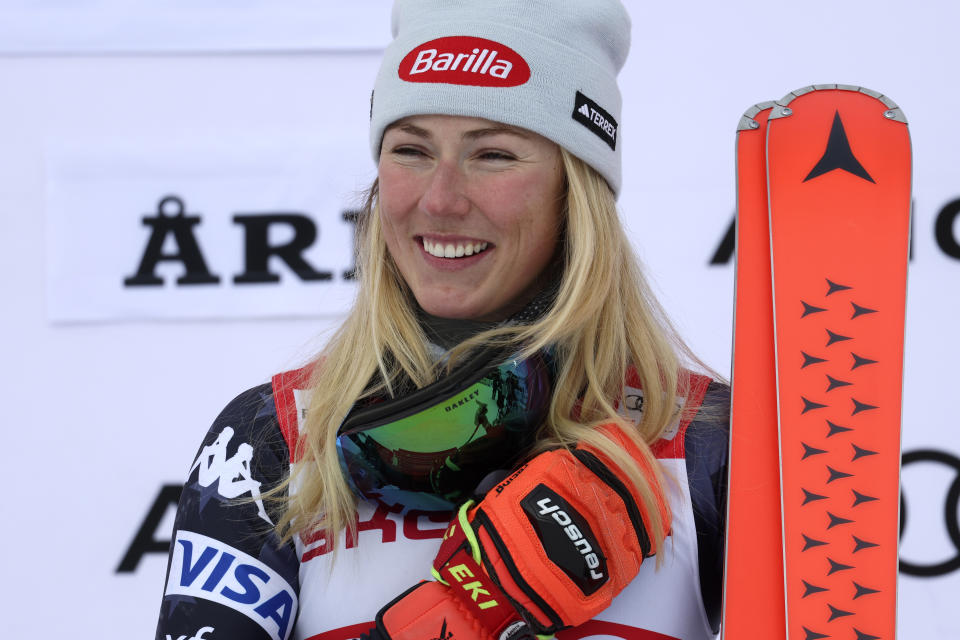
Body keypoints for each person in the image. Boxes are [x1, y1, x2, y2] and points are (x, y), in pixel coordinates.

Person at [155, 1, 729, 639]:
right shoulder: (272, 440)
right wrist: (469, 611)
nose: (440, 199)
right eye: (411, 150)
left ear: (577, 191)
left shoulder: (705, 443)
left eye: (494, 156)